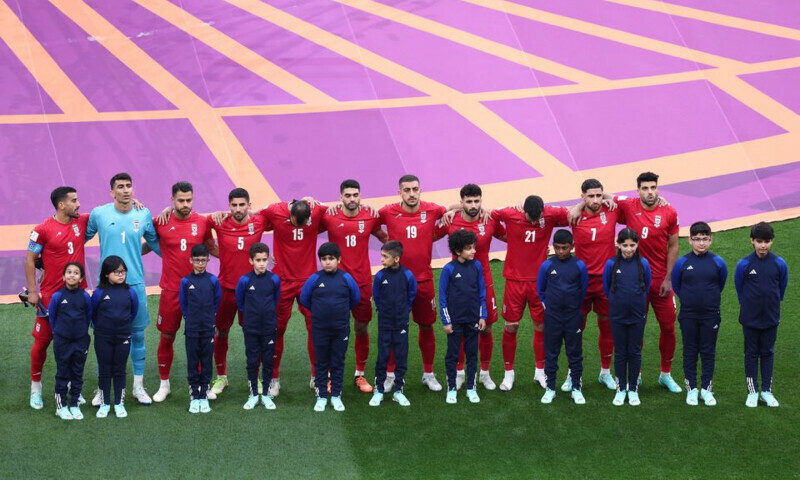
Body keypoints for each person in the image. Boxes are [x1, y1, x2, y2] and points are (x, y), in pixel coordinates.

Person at [86, 173, 161, 405]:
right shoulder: (99, 214)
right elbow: (79, 236)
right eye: (120, 186)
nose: (126, 190)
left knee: (137, 335)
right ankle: (102, 389)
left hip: (135, 285)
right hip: (105, 288)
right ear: (112, 192)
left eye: (129, 186)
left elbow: (157, 243)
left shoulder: (143, 213)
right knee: (103, 337)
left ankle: (138, 387)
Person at [492, 195, 569, 391]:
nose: (534, 222)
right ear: (523, 211)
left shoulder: (550, 214)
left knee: (541, 326)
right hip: (514, 282)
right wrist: (505, 236)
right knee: (511, 326)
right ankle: (508, 374)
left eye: (537, 219)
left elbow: (573, 213)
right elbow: (489, 216)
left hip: (540, 283)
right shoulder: (510, 213)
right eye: (530, 218)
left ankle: (540, 372)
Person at [613, 172, 681, 393]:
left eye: (653, 188)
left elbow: (673, 246)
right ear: (638, 190)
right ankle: (637, 374)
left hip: (661, 281)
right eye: (645, 188)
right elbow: (601, 197)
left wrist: (669, 278)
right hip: (635, 282)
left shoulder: (669, 212)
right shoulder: (628, 204)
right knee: (635, 328)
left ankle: (665, 375)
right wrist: (576, 208)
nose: (650, 192)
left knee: (668, 327)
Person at [379, 175, 447, 392]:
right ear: (399, 192)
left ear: (420, 190)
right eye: (406, 190)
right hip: (395, 282)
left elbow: (454, 211)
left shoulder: (433, 210)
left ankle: (429, 374)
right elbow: (365, 219)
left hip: (424, 280)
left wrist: (455, 209)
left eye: (415, 189)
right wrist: (387, 242)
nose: (411, 194)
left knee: (426, 325)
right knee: (393, 328)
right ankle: (390, 375)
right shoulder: (387, 211)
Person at [435, 184, 506, 390]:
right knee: (459, 328)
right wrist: (450, 209)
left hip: (484, 283)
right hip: (457, 285)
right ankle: (459, 372)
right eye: (469, 201)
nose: (473, 205)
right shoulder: (450, 220)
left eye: (477, 201)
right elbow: (430, 235)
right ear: (462, 202)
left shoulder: (490, 220)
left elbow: (508, 236)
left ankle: (484, 373)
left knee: (486, 328)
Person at [25, 186, 89, 410]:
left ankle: (72, 388)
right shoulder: (42, 229)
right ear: (62, 205)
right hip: (51, 297)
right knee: (41, 344)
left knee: (74, 344)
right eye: (74, 200)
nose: (78, 204)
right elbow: (30, 259)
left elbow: (111, 211)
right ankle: (36, 389)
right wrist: (33, 291)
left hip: (78, 297)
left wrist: (134, 202)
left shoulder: (81, 221)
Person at [322, 179, 388, 393]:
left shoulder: (370, 215)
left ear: (360, 196)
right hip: (336, 283)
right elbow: (307, 223)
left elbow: (384, 237)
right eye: (347, 195)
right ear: (340, 197)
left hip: (362, 282)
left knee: (361, 327)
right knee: (334, 329)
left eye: (355, 195)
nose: (352, 199)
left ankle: (360, 374)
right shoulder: (329, 215)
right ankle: (331, 375)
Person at [152, 182, 215, 403]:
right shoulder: (160, 221)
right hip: (170, 290)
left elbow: (212, 247)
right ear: (172, 200)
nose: (185, 204)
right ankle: (164, 384)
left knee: (200, 339)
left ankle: (202, 384)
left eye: (189, 200)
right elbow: (147, 241)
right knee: (167, 336)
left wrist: (238, 258)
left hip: (198, 292)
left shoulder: (202, 221)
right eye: (181, 200)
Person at [207, 188, 272, 398]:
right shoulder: (219, 222)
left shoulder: (260, 222)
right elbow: (193, 221)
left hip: (252, 291)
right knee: (221, 332)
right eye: (233, 205)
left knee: (253, 334)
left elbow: (283, 217)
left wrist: (306, 200)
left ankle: (256, 377)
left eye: (242, 205)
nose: (237, 209)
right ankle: (221, 376)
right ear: (229, 206)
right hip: (225, 289)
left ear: (249, 205)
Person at [260, 198, 327, 396]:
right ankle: (273, 378)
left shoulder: (317, 210)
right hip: (282, 282)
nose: (305, 226)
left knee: (315, 329)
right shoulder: (273, 211)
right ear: (290, 216)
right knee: (276, 330)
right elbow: (252, 219)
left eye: (307, 222)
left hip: (308, 282)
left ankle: (317, 377)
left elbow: (338, 209)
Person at [567, 179, 621, 391]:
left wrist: (609, 197)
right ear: (582, 197)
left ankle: (605, 373)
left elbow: (637, 203)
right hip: (581, 283)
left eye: (599, 195)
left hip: (606, 282)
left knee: (606, 325)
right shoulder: (573, 215)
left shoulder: (612, 210)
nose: (596, 200)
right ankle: (573, 373)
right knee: (575, 328)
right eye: (591, 196)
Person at [671, 221, 727, 407]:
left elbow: (720, 283)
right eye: (697, 239)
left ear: (711, 240)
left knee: (708, 351)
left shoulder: (718, 262)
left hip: (711, 315)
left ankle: (706, 389)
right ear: (690, 240)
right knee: (690, 351)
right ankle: (692, 389)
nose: (701, 243)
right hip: (688, 315)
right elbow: (677, 285)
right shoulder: (682, 263)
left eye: (705, 239)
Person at [300, 243, 360, 412]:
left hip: (341, 329)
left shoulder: (346, 278)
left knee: (338, 361)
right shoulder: (315, 279)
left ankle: (335, 395)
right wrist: (321, 312)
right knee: (321, 362)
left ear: (339, 260)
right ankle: (321, 396)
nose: (327, 262)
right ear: (320, 261)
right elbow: (304, 299)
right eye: (324, 259)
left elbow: (355, 298)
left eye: (331, 259)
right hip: (320, 329)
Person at [734, 222, 788, 408]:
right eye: (759, 241)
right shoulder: (744, 264)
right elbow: (740, 289)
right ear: (752, 241)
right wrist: (750, 306)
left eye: (766, 241)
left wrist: (770, 306)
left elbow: (781, 290)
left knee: (767, 353)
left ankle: (766, 391)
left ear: (772, 241)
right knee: (751, 354)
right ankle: (752, 392)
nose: (763, 245)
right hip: (750, 319)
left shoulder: (779, 263)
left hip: (771, 318)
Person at [537, 230, 589, 405]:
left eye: (564, 248)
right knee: (551, 353)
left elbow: (583, 290)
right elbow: (540, 290)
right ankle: (550, 388)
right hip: (552, 317)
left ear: (572, 247)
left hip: (573, 316)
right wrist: (549, 308)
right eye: (557, 248)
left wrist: (574, 308)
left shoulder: (579, 266)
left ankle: (576, 388)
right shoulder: (547, 266)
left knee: (574, 353)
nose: (560, 251)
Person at [603, 229, 651, 407]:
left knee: (635, 351)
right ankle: (621, 388)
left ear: (637, 245)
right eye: (625, 245)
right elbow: (606, 287)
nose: (629, 249)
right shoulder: (611, 264)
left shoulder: (643, 264)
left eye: (632, 245)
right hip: (617, 316)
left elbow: (647, 285)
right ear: (618, 244)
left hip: (637, 316)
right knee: (621, 352)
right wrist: (618, 303)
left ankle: (633, 389)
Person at [439, 230, 487, 405]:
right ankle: (451, 387)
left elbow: (482, 291)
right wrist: (446, 321)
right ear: (458, 251)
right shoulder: (449, 269)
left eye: (473, 247)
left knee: (472, 354)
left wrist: (482, 315)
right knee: (452, 355)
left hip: (473, 319)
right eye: (469, 248)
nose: (473, 251)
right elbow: (442, 297)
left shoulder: (477, 266)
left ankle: (471, 388)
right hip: (455, 321)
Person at [369, 241, 417, 407]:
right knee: (382, 357)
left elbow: (412, 295)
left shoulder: (407, 275)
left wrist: (404, 311)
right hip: (385, 323)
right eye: (381, 256)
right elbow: (377, 296)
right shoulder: (380, 276)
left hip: (401, 323)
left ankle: (398, 391)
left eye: (385, 257)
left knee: (401, 357)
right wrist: (384, 312)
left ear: (396, 259)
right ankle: (379, 391)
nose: (381, 259)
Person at [91, 256, 139, 418]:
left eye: (123, 272)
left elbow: (133, 312)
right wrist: (104, 328)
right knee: (104, 371)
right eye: (116, 272)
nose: (120, 275)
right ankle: (104, 404)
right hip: (103, 337)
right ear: (106, 274)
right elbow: (93, 314)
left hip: (123, 336)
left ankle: (119, 403)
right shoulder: (98, 293)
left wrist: (121, 327)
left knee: (119, 370)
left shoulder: (130, 292)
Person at [235, 243, 281, 411]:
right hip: (251, 328)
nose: (262, 264)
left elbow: (275, 300)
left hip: (269, 327)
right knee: (253, 361)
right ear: (251, 261)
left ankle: (267, 395)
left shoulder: (274, 279)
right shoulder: (245, 280)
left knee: (268, 361)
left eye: (264, 260)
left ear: (268, 260)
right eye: (258, 260)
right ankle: (254, 394)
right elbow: (240, 303)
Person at [179, 244, 222, 414]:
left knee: (206, 361)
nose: (200, 264)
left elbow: (217, 301)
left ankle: (203, 394)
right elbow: (183, 304)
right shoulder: (185, 281)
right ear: (191, 260)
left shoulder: (213, 280)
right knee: (192, 361)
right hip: (192, 328)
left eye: (203, 260)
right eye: (197, 260)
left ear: (208, 261)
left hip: (208, 327)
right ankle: (194, 395)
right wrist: (189, 319)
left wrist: (210, 319)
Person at [48, 262, 92, 420]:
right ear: (63, 276)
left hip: (80, 341)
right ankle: (61, 407)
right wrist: (60, 334)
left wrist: (79, 333)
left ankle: (74, 403)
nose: (72, 275)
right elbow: (52, 318)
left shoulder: (85, 296)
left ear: (81, 278)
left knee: (77, 373)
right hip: (62, 342)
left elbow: (88, 316)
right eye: (69, 272)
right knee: (62, 374)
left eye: (76, 273)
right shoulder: (58, 296)